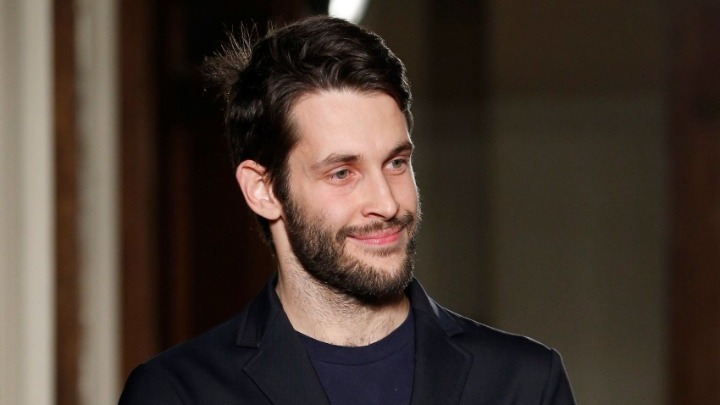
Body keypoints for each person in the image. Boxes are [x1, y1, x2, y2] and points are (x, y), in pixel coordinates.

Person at [119, 15, 575, 405]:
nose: (388, 203)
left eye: (396, 163)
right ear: (263, 190)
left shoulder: (523, 384)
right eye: (342, 173)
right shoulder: (177, 393)